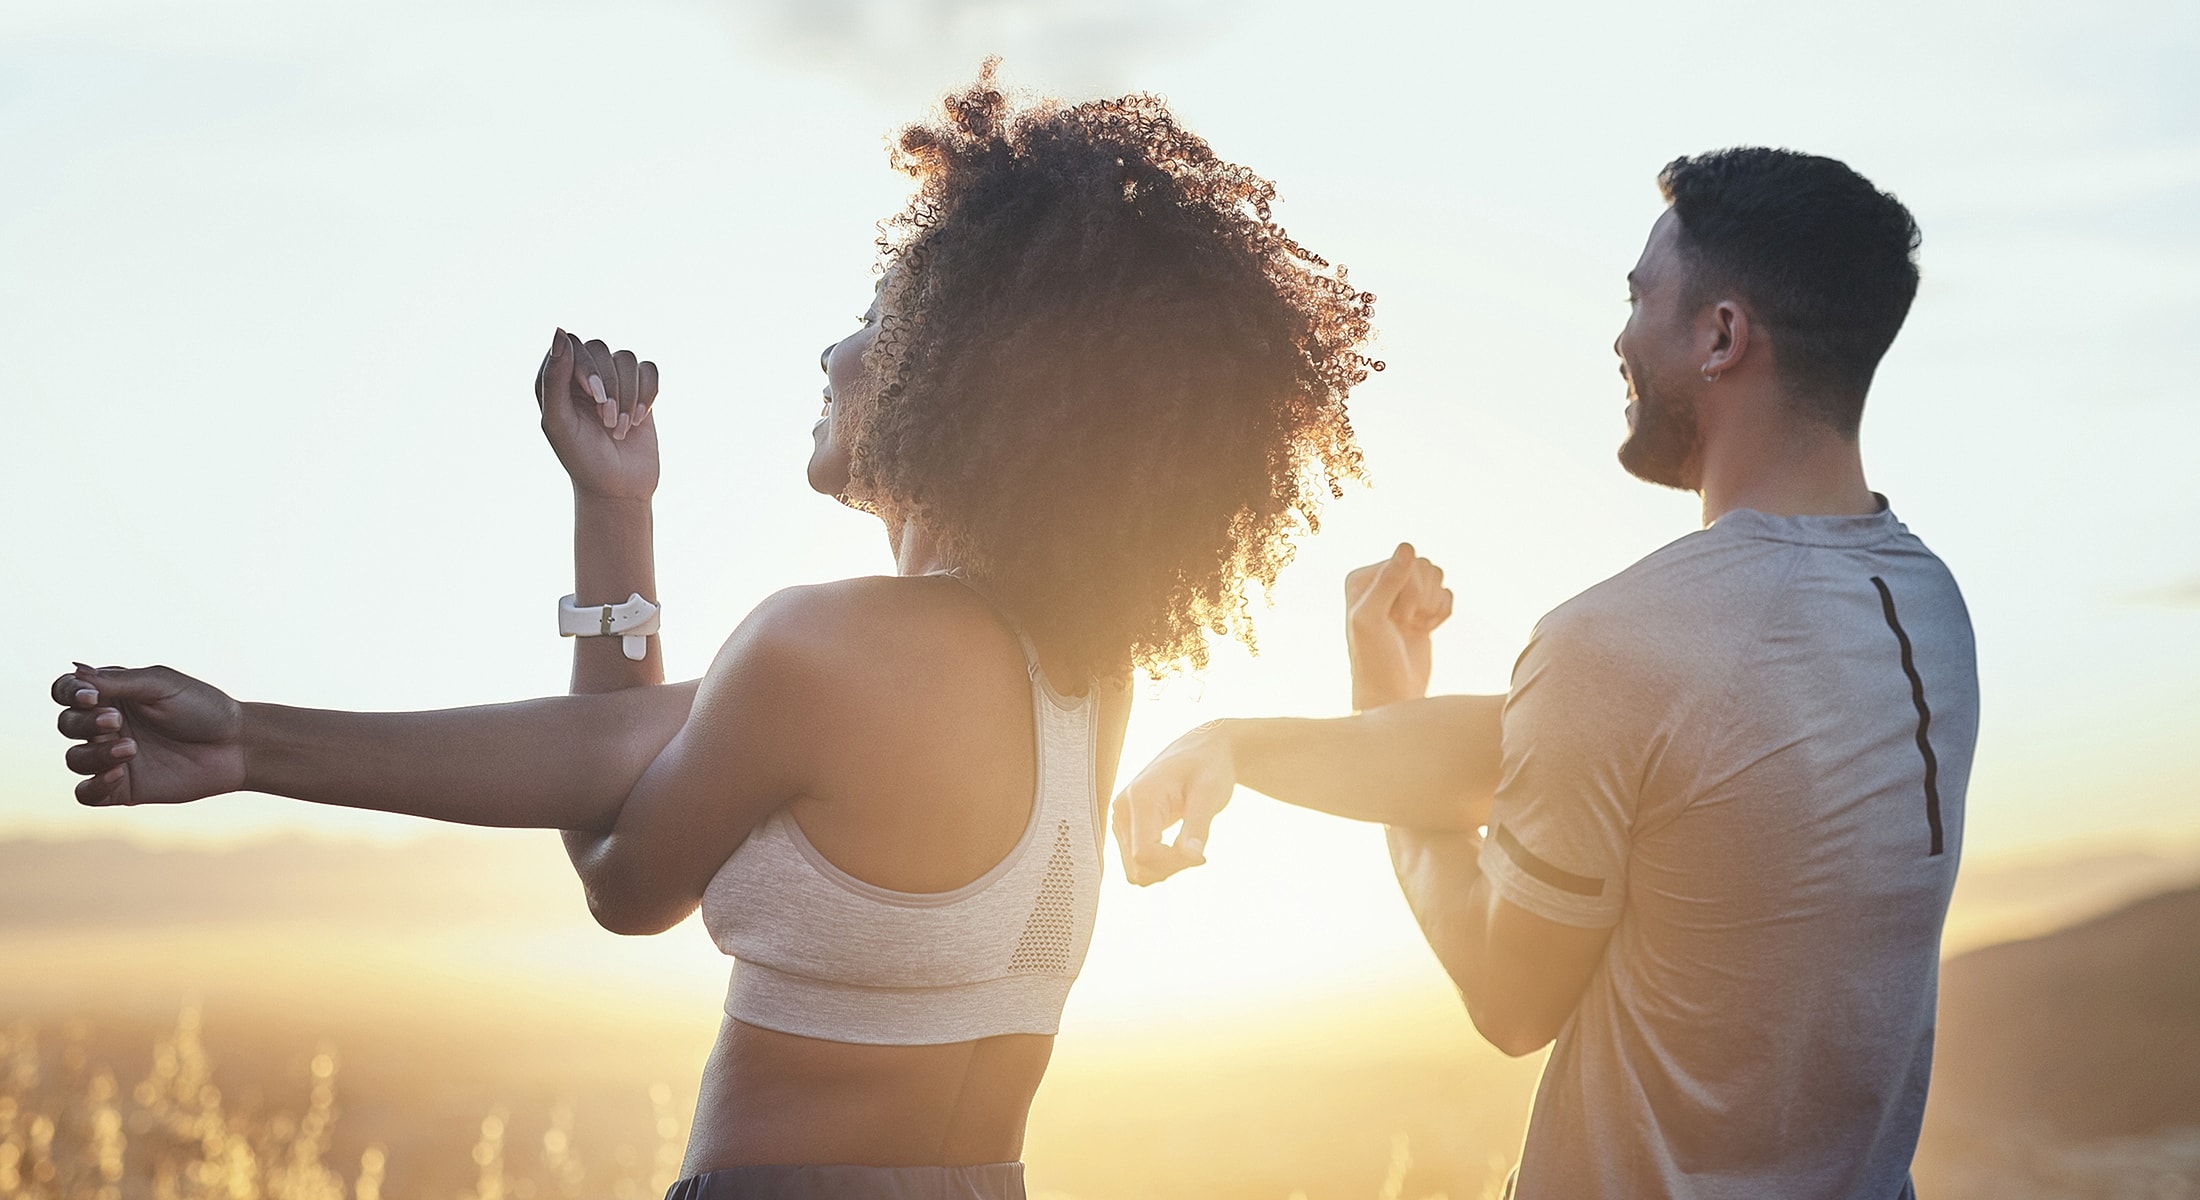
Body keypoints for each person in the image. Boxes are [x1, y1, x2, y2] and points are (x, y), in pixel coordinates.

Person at [51, 72, 1378, 1200]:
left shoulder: (829, 647)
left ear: (968, 376)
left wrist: (248, 745)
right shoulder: (1080, 674)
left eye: (882, 319)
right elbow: (620, 747)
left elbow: (622, 873)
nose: (835, 351)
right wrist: (616, 509)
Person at [1115, 147, 1978, 1199]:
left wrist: (1377, 725)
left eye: (1639, 298)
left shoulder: (1620, 643)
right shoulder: (1926, 609)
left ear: (1721, 336)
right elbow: (1612, 756)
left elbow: (1509, 999)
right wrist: (1243, 743)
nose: (1621, 338)